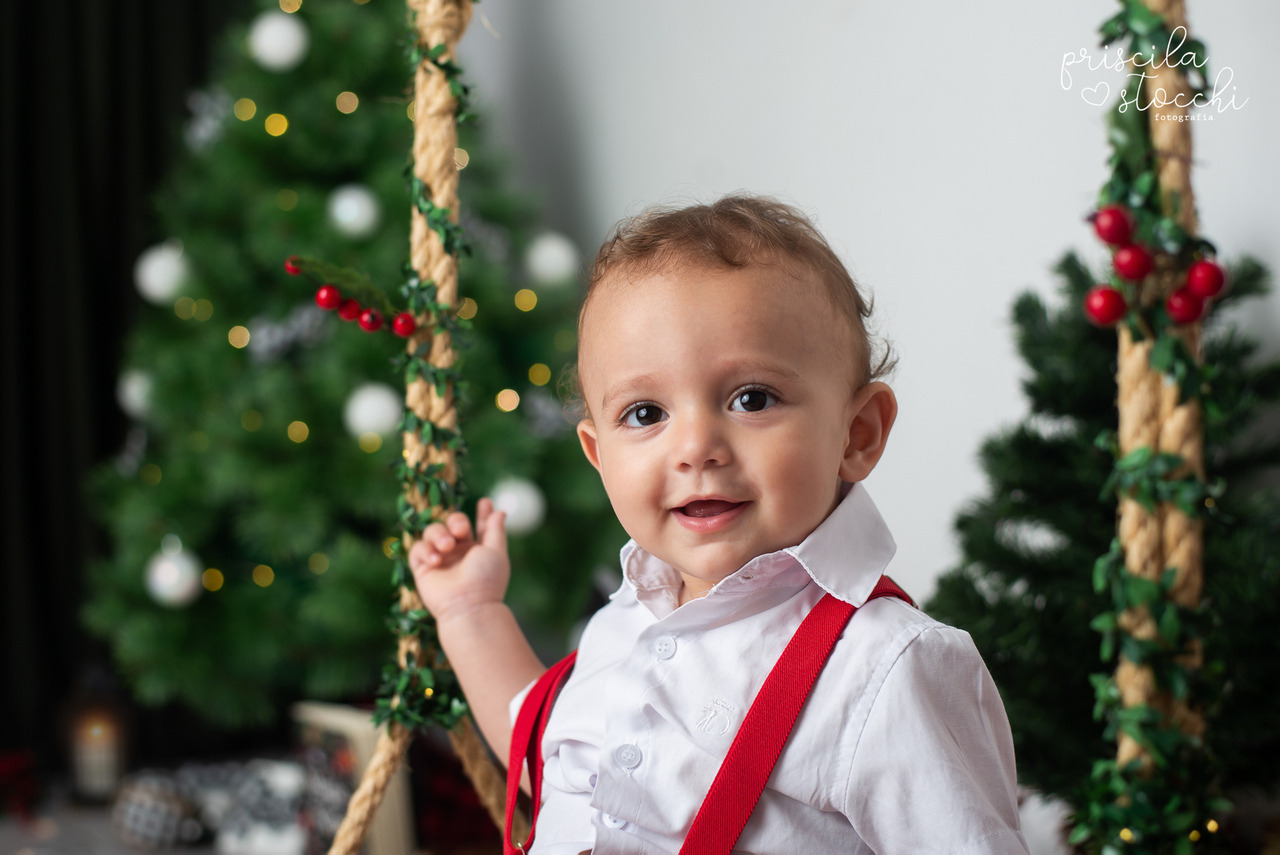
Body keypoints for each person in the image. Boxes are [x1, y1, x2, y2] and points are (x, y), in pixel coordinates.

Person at [409, 195, 1029, 853]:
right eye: (645, 413)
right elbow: (556, 769)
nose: (695, 445)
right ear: (598, 455)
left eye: (751, 398)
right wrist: (471, 614)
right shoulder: (627, 620)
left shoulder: (884, 668)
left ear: (857, 433)